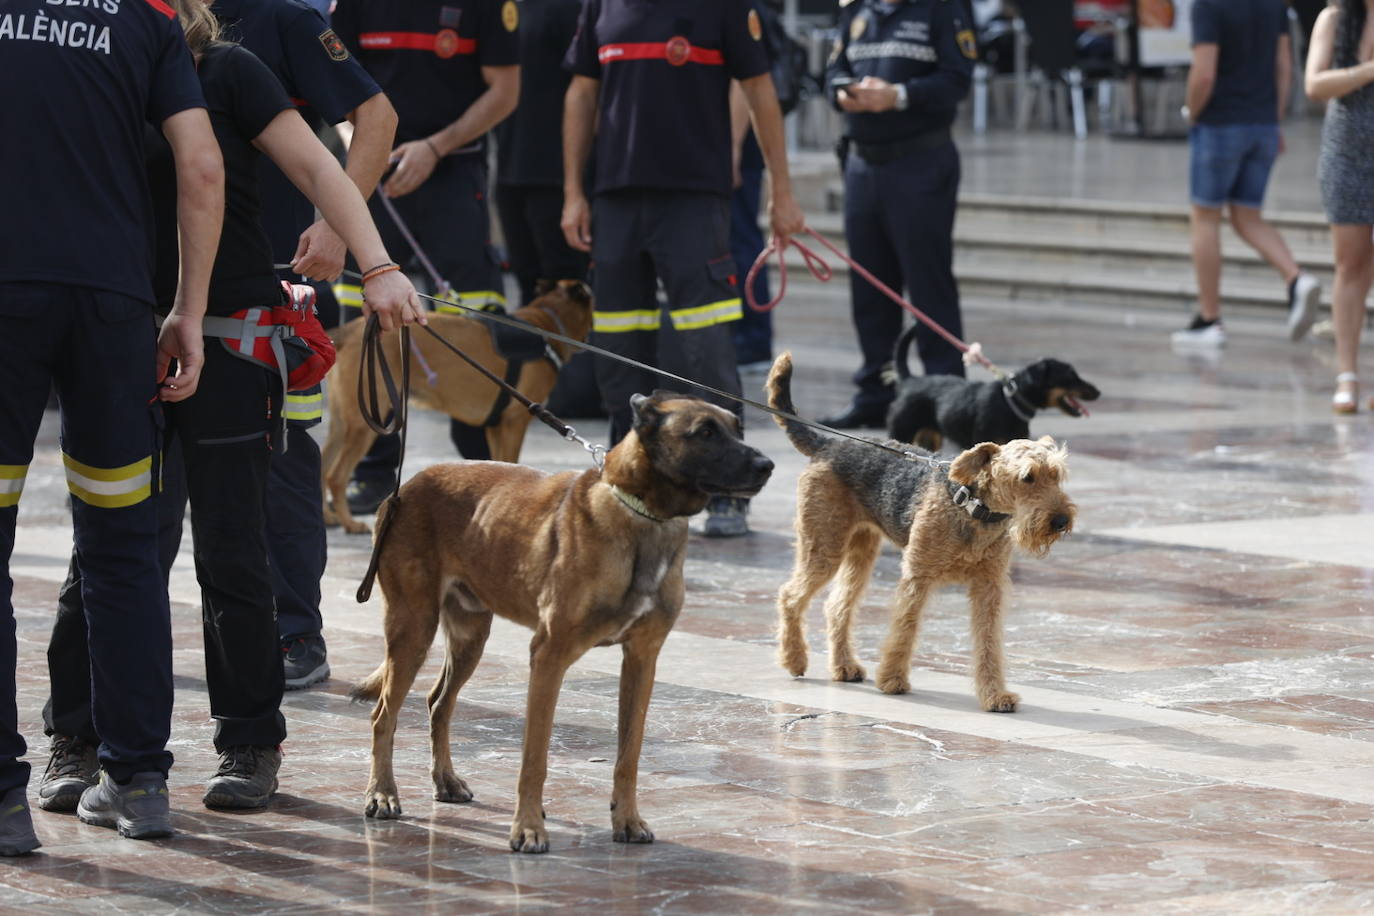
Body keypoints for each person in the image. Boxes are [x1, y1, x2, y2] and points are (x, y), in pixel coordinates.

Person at [39, 0, 424, 818]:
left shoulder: (229, 71)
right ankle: (74, 739)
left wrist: (377, 262)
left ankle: (249, 740)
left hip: (232, 339)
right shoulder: (98, 68)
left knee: (231, 550)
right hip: (117, 340)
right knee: (107, 552)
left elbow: (323, 170)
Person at [0, 0, 224, 850]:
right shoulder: (146, 20)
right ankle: (139, 781)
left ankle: (5, 804)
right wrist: (188, 314)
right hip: (111, 308)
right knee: (123, 551)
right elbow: (201, 167)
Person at [561, 0, 805, 537]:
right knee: (618, 350)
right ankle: (625, 481)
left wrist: (781, 192)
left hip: (694, 201)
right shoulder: (601, 6)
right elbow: (582, 93)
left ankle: (728, 489)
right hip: (616, 199)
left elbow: (760, 88)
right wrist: (574, 191)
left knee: (706, 348)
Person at [214, 0, 397, 690]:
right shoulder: (151, 21)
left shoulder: (283, 21)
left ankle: (296, 634)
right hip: (169, 286)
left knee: (283, 466)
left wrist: (336, 226)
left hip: (279, 292)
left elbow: (375, 119)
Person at [330, 0, 521, 513]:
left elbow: (504, 91)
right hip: (373, 173)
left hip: (455, 174)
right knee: (369, 330)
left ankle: (481, 472)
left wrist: (435, 147)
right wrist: (369, 146)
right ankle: (371, 472)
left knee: (472, 325)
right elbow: (331, 85)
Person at [820, 0, 975, 430]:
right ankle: (877, 392)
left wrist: (898, 96)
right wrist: (844, 93)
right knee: (870, 287)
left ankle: (946, 394)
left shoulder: (941, 10)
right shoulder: (856, 12)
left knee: (929, 283)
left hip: (920, 161)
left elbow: (956, 80)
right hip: (862, 164)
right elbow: (831, 74)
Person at [1171, 0, 1322, 350]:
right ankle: (1296, 279)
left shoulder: (1208, 6)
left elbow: (1204, 72)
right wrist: (1275, 119)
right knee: (1247, 215)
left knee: (1205, 217)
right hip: (1263, 124)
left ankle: (1209, 318)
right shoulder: (1274, 5)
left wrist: (1190, 112)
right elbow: (1284, 65)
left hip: (1220, 123)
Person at [494, 0, 600, 417]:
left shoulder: (574, 9)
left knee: (569, 286)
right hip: (511, 167)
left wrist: (578, 184)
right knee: (528, 287)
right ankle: (535, 389)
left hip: (557, 172)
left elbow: (588, 91)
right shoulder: (507, 8)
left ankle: (578, 394)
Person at [1305, 0, 1374, 413]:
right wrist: (1368, 71)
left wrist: (1351, 77)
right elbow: (1314, 85)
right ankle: (1347, 375)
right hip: (1345, 154)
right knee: (1349, 264)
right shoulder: (1335, 18)